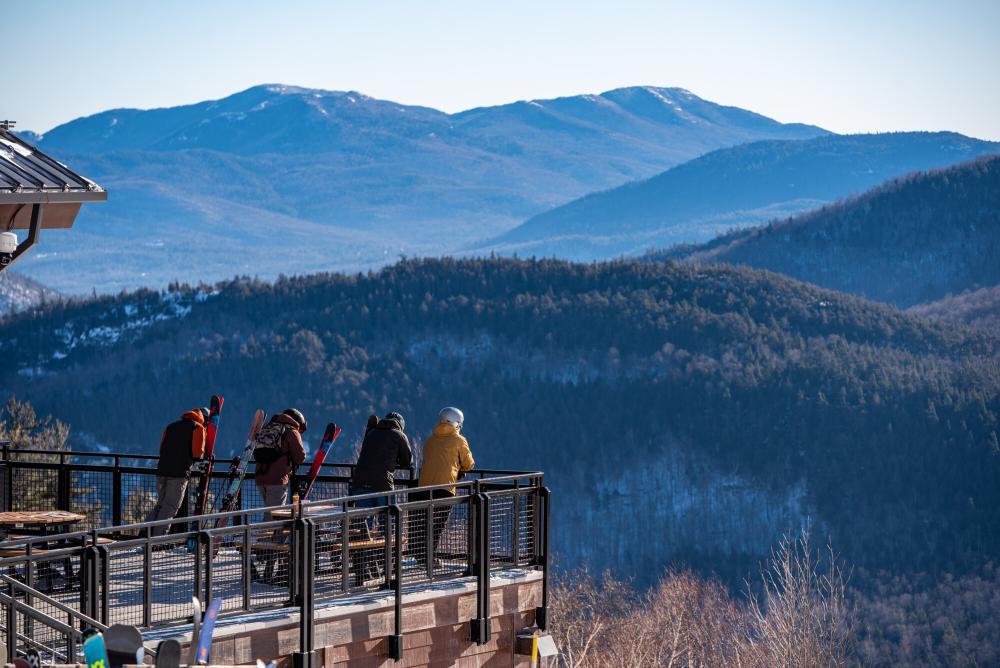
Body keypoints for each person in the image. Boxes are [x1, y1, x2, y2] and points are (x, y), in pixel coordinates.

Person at [412, 407, 475, 567]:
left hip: (423, 487)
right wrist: (458, 469)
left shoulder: (430, 440)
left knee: (423, 523)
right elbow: (469, 464)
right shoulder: (459, 440)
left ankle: (421, 557)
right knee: (437, 525)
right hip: (444, 488)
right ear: (458, 423)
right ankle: (429, 560)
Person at [145, 407, 208, 536]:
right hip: (178, 473)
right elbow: (197, 454)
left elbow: (161, 449)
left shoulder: (171, 426)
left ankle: (144, 533)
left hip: (162, 471)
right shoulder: (198, 428)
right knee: (169, 508)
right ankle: (157, 539)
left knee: (160, 505)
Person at [350, 412, 413, 528]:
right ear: (400, 425)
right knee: (388, 524)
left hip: (360, 482)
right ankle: (387, 546)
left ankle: (362, 544)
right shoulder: (399, 435)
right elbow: (407, 462)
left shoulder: (371, 432)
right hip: (382, 484)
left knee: (362, 526)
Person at [253, 408, 308, 518]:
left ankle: (269, 534)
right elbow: (300, 457)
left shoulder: (269, 427)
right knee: (273, 517)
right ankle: (263, 535)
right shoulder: (291, 431)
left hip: (260, 477)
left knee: (271, 512)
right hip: (277, 480)